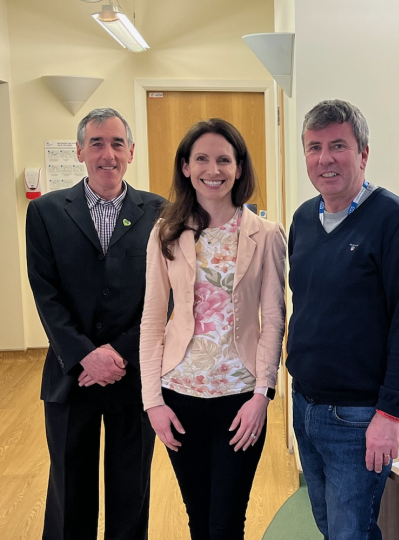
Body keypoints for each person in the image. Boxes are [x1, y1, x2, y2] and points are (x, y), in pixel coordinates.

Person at [287, 99, 399, 540]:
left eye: (338, 146)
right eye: (314, 147)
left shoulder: (394, 221)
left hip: (357, 417)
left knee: (352, 533)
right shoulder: (303, 219)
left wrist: (390, 413)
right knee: (330, 528)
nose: (324, 159)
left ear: (363, 154)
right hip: (305, 407)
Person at [139, 119, 286, 539]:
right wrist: (153, 402)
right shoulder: (166, 232)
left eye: (225, 159)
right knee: (198, 518)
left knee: (226, 522)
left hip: (240, 400)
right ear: (185, 167)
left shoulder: (266, 234)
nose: (213, 169)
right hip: (179, 395)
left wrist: (263, 393)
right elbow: (152, 322)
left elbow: (274, 319)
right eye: (201, 158)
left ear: (239, 168)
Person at [26, 108, 165, 539]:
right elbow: (45, 293)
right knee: (70, 488)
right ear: (80, 151)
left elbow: (165, 296)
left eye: (117, 143)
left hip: (133, 373)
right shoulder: (47, 212)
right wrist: (86, 355)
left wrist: (118, 352)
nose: (108, 154)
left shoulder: (161, 212)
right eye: (98, 143)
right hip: (73, 376)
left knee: (131, 489)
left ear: (132, 152)